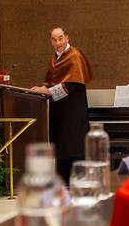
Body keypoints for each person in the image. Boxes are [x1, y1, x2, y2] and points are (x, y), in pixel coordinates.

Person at [31, 27, 92, 183]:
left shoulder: (74, 56)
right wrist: (42, 89)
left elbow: (72, 85)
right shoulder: (55, 58)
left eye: (60, 38)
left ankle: (75, 185)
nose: (58, 42)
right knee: (60, 148)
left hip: (73, 112)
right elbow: (51, 81)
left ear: (67, 38)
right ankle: (62, 184)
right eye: (54, 39)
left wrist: (48, 91)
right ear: (50, 41)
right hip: (59, 111)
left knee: (73, 148)